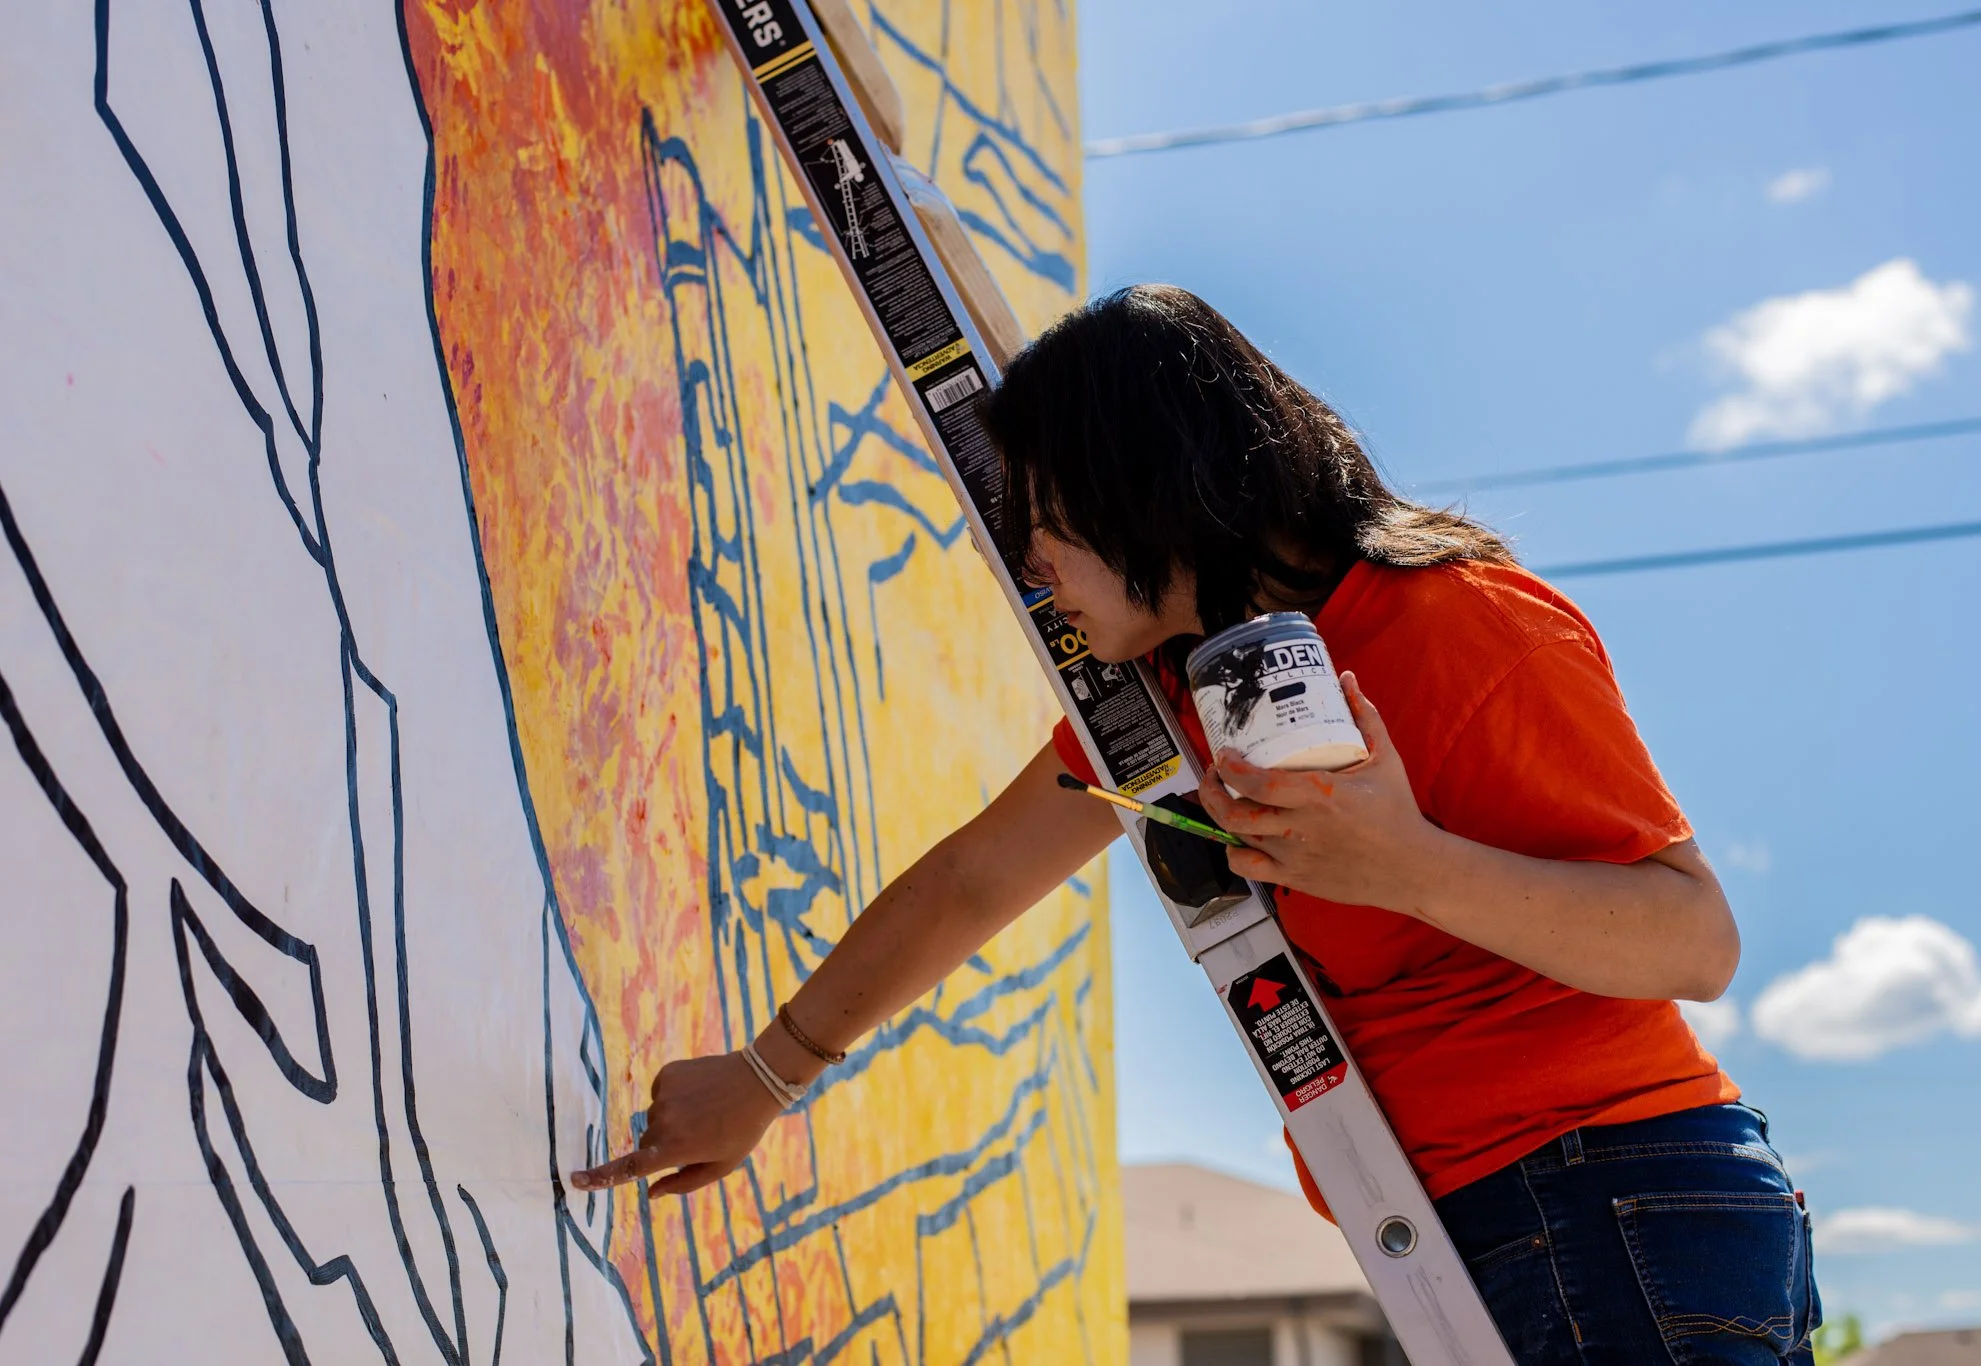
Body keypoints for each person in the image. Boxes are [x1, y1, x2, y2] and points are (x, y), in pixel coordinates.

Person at [573, 284, 1821, 1365]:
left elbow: (1692, 940)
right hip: (1493, 1228)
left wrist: (1410, 866)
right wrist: (765, 1076)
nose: (1028, 565)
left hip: (1615, 1202)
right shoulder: (1180, 698)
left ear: (1139, 487)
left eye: (1040, 519)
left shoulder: (1456, 624)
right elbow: (973, 879)